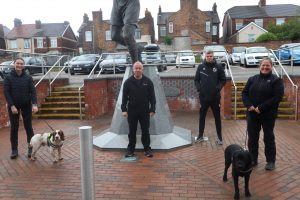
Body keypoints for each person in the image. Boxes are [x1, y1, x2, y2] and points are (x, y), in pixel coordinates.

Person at [242, 58, 284, 170]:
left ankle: (270, 161)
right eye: (263, 65)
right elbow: (244, 93)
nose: (265, 67)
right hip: (252, 114)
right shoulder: (252, 79)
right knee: (252, 138)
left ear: (271, 66)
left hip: (268, 115)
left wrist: (261, 107)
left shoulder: (276, 81)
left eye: (267, 65)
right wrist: (249, 105)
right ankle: (252, 159)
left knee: (268, 138)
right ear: (259, 66)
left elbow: (277, 97)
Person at [3, 57, 38, 159]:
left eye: (21, 64)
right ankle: (14, 150)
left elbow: (33, 91)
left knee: (29, 127)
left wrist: (34, 104)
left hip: (26, 104)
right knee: (14, 127)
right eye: (17, 63)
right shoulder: (8, 77)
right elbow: (7, 93)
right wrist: (12, 105)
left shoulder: (28, 77)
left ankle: (30, 148)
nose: (19, 65)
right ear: (14, 64)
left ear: (23, 65)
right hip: (13, 105)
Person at [121, 61, 156, 157]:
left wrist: (152, 109)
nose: (138, 70)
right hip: (132, 111)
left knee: (145, 130)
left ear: (142, 69)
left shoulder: (148, 82)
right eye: (136, 68)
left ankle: (147, 149)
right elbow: (124, 97)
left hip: (144, 111)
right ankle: (130, 149)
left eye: (139, 68)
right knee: (132, 130)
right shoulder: (128, 82)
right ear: (133, 69)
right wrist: (123, 109)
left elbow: (152, 97)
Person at [194, 50, 226, 145]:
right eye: (207, 56)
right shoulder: (200, 67)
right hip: (203, 97)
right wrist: (199, 89)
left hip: (215, 98)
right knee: (202, 117)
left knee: (217, 117)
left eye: (210, 56)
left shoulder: (218, 67)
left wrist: (217, 88)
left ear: (213, 56)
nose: (209, 58)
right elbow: (196, 80)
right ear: (205, 57)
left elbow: (223, 80)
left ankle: (219, 138)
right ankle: (200, 136)